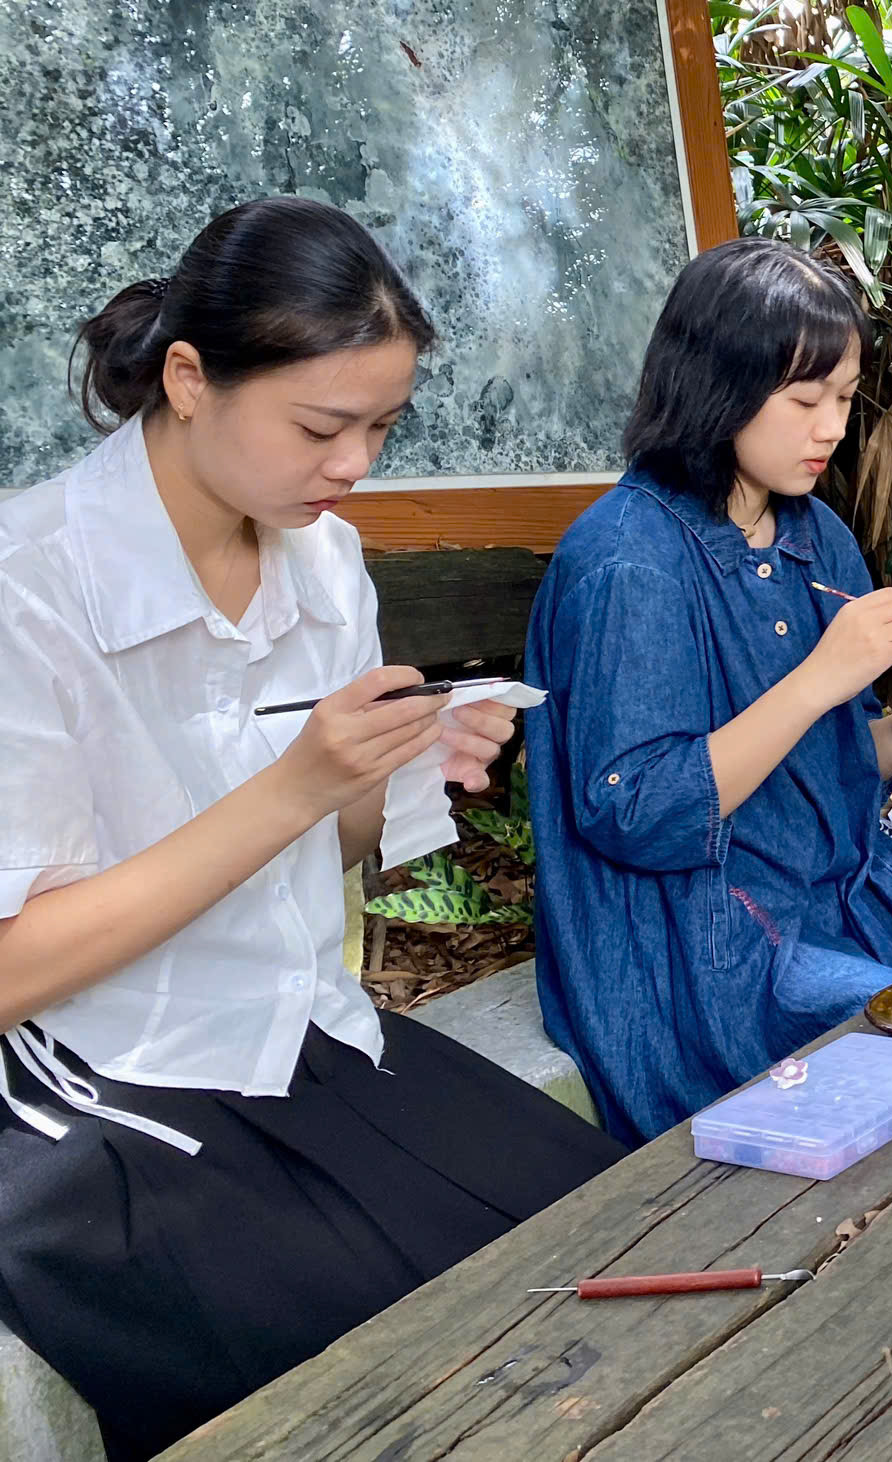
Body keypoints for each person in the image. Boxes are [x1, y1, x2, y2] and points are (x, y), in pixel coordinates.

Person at [0, 197, 626, 1462]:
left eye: (382, 427)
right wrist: (296, 786)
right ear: (189, 380)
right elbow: (17, 968)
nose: (354, 465)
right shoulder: (30, 587)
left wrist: (405, 767)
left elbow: (319, 845)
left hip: (299, 1023)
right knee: (401, 1390)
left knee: (604, 1240)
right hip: (100, 1075)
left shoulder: (326, 563)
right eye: (321, 426)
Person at [524, 238, 892, 1144]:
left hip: (841, 896)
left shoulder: (814, 533)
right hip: (699, 945)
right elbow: (640, 812)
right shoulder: (628, 563)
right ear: (716, 386)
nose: (833, 429)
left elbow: (813, 765)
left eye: (846, 398)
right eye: (805, 400)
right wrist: (820, 679)